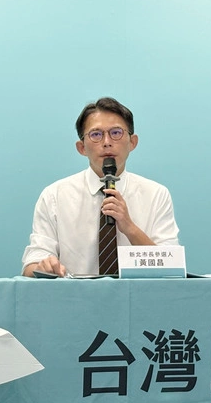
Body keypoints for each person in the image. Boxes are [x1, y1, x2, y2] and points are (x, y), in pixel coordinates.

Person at [21, 97, 180, 277]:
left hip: (137, 294)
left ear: (132, 142)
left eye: (116, 133)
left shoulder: (156, 194)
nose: (106, 142)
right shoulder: (54, 196)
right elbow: (30, 268)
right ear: (81, 147)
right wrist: (42, 268)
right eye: (96, 135)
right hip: (76, 294)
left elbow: (172, 268)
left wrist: (129, 227)